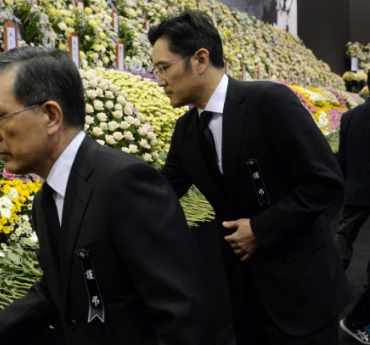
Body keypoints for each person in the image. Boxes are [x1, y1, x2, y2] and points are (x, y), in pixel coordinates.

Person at [0, 46, 216, 345]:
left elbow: (184, 314)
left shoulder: (125, 184)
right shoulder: (46, 198)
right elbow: (58, 288)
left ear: (50, 116)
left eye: (0, 117)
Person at [148, 9, 351, 345]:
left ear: (200, 59)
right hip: (244, 301)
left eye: (164, 67)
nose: (159, 80)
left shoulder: (268, 102)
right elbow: (159, 192)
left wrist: (261, 228)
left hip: (301, 294)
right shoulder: (186, 131)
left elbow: (325, 182)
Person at [335, 70, 370, 344]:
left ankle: (331, 283)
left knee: (344, 236)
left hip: (355, 190)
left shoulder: (350, 117)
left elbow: (342, 159)